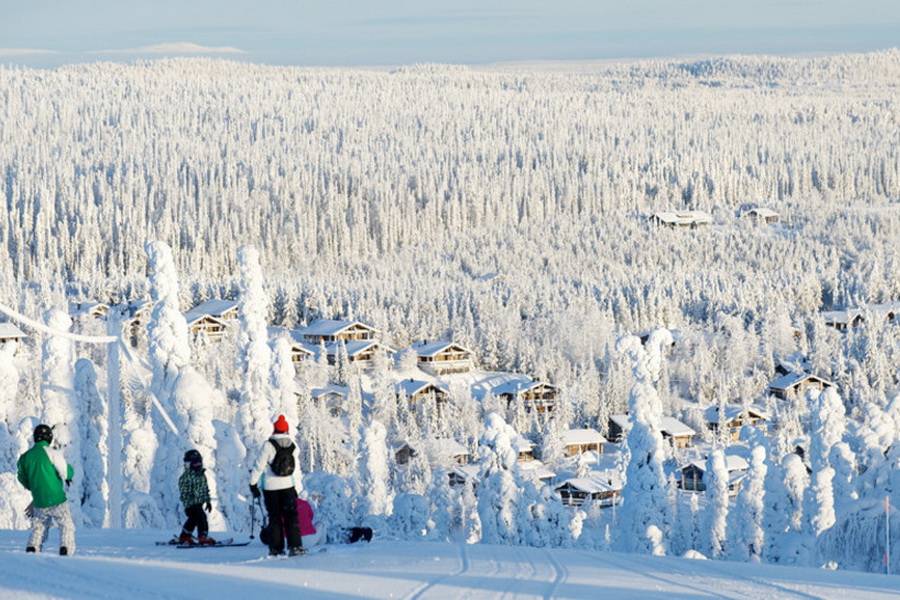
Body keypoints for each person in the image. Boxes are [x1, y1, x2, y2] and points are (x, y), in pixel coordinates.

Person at [16, 424, 76, 556]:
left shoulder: (25, 457)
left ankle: (33, 547)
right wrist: (70, 474)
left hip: (39, 500)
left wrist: (34, 487)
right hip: (57, 498)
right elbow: (65, 471)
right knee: (66, 524)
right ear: (49, 437)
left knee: (39, 526)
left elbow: (22, 477)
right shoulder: (52, 453)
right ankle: (66, 547)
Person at [249, 415, 303, 556]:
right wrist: (295, 487)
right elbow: (292, 469)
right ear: (286, 430)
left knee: (275, 518)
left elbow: (258, 466)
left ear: (274, 430)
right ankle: (295, 547)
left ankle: (276, 549)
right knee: (291, 517)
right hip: (288, 487)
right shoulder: (293, 446)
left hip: (270, 488)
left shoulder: (268, 445)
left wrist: (253, 483)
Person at [177, 449, 215, 546]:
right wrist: (190, 501)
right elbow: (184, 492)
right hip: (190, 504)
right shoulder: (185, 477)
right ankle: (202, 537)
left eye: (199, 463)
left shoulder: (201, 475)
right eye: (195, 464)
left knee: (193, 520)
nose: (198, 466)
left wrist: (207, 501)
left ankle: (184, 536)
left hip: (198, 503)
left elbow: (204, 489)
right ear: (189, 464)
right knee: (201, 517)